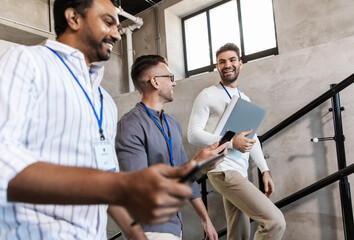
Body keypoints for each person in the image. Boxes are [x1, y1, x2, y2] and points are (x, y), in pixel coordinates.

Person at [0, 0, 214, 239]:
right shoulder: (26, 62)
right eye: (108, 21)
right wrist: (121, 186)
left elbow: (109, 184)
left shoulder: (104, 101)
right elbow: (4, 164)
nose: (117, 34)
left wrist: (139, 236)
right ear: (74, 18)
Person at [115, 55, 227, 240]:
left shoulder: (173, 125)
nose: (174, 83)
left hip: (175, 227)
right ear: (155, 82)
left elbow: (188, 178)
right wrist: (196, 163)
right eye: (170, 77)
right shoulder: (130, 125)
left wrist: (205, 219)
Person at [187, 43, 286, 240]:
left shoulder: (244, 98)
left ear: (240, 63)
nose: (227, 65)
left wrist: (264, 170)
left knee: (239, 233)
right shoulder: (207, 94)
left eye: (232, 60)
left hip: (240, 172)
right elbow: (193, 134)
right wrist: (231, 142)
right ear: (217, 67)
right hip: (222, 169)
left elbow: (252, 138)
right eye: (222, 61)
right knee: (274, 222)